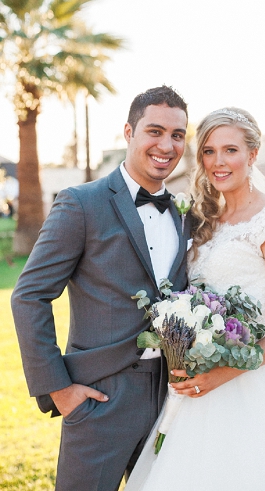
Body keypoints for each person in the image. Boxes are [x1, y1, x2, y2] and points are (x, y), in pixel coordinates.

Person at [125, 107, 265, 490]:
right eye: (209, 151)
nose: (218, 162)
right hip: (188, 384)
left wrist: (224, 374)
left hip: (244, 386)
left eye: (230, 150)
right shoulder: (202, 217)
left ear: (252, 155)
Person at [11, 86, 191, 490]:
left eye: (177, 135)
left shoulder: (186, 213)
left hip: (172, 400)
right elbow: (29, 296)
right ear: (129, 132)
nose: (167, 145)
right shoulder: (81, 203)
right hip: (98, 398)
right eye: (155, 131)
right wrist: (58, 389)